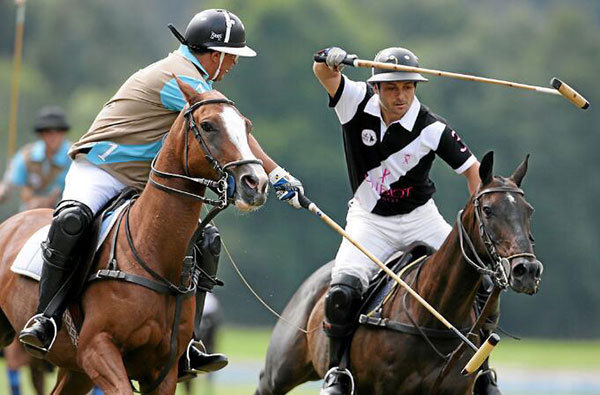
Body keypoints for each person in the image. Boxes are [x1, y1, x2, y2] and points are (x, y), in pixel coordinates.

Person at [18, 8, 303, 382]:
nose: (234, 63)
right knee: (73, 220)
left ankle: (188, 342)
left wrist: (269, 173)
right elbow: (235, 133)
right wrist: (273, 170)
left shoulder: (200, 82)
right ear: (214, 54)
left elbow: (228, 133)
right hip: (102, 168)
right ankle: (47, 317)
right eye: (232, 55)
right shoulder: (179, 76)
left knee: (208, 240)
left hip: (143, 179)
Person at [313, 46, 499, 395]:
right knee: (342, 291)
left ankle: (483, 374)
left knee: (481, 284)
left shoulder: (433, 128)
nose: (401, 96)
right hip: (370, 220)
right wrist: (328, 57)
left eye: (408, 88)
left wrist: (478, 219)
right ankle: (338, 374)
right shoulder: (354, 101)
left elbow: (474, 173)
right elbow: (323, 72)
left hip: (420, 218)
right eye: (393, 88)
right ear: (377, 87)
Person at [0, 106, 71, 211]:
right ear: (41, 134)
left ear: (63, 133)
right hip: (30, 208)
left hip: (65, 210)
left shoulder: (74, 156)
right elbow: (9, 182)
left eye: (57, 131)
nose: (52, 136)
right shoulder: (26, 156)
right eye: (47, 132)